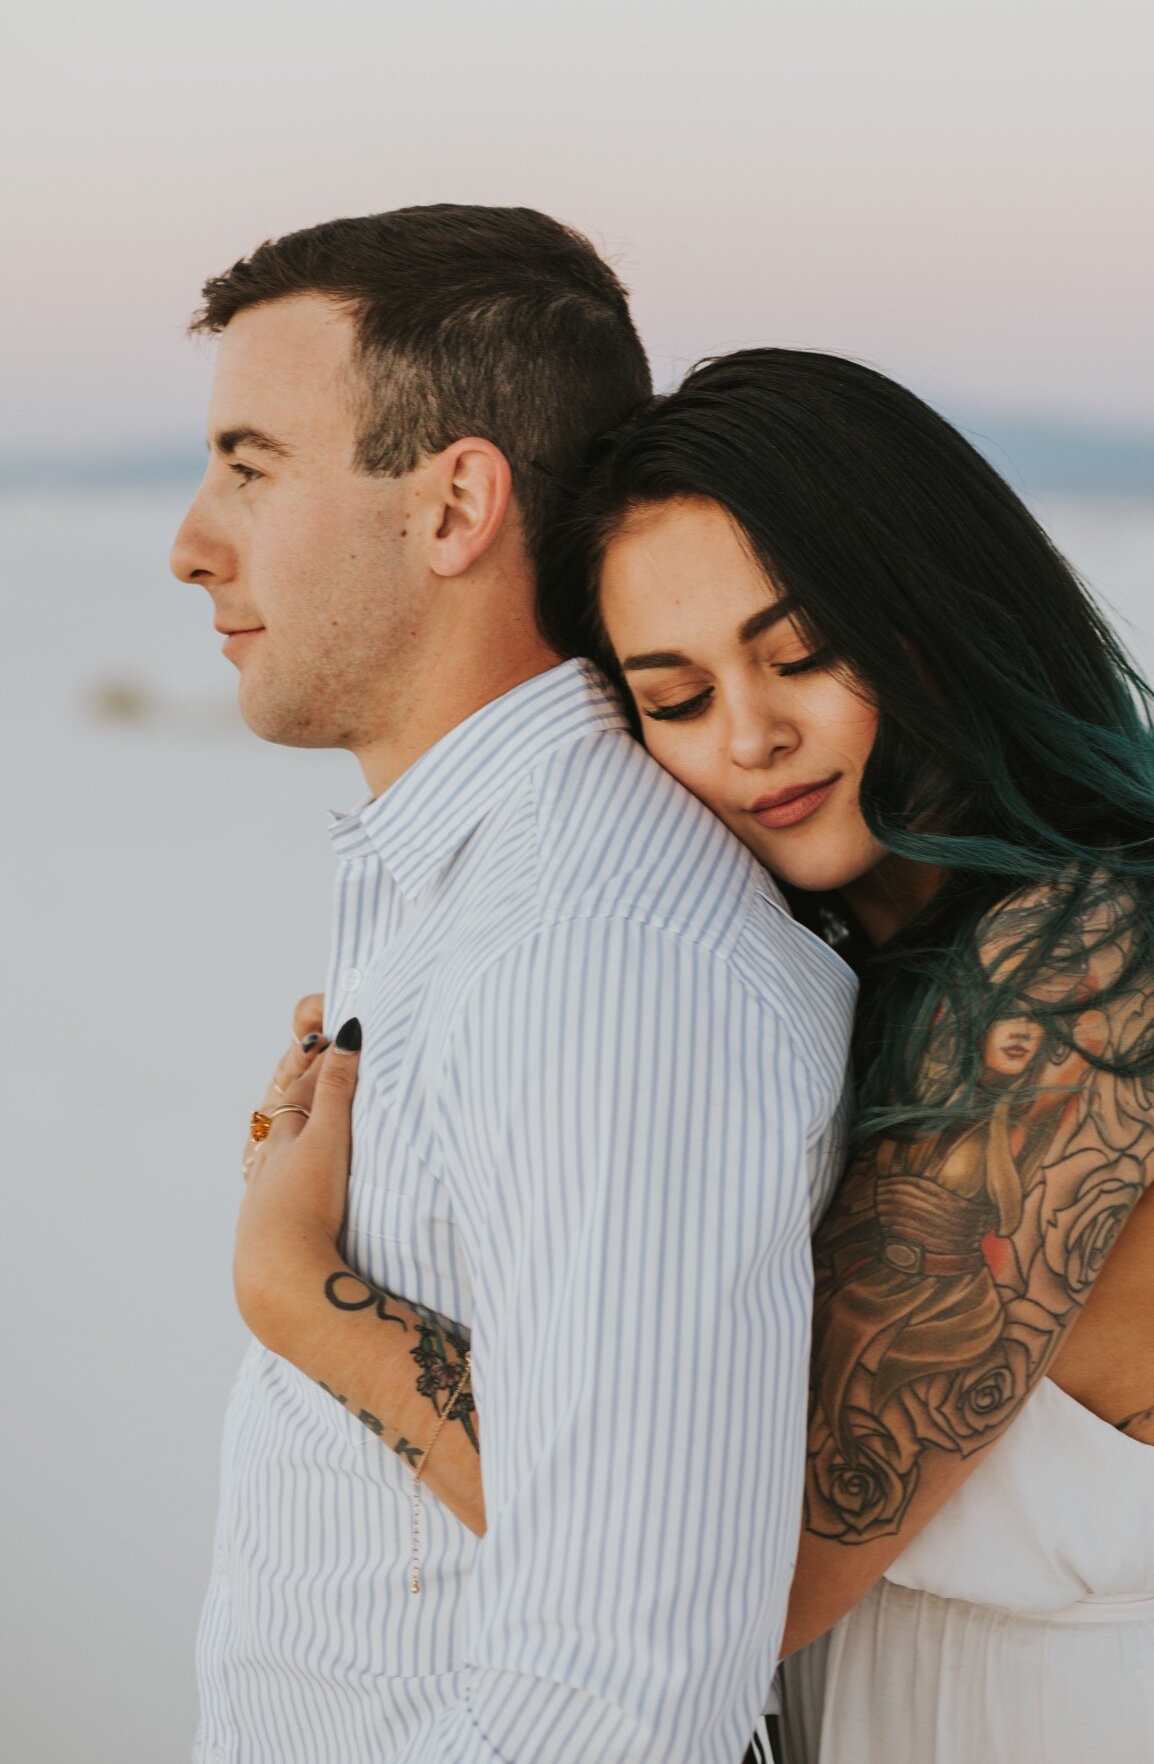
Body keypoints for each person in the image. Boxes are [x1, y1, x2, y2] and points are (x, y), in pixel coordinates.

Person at [255, 346, 1154, 1761]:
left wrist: (306, 1290)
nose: (753, 735)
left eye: (800, 653)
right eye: (675, 696)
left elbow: (742, 1560)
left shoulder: (1091, 961)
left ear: (934, 616)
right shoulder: (863, 960)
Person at [172, 211, 855, 1764]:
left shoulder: (598, 957)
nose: (194, 539)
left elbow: (619, 1689)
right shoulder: (468, 890)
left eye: (252, 467)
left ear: (456, 502)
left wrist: (293, 1286)